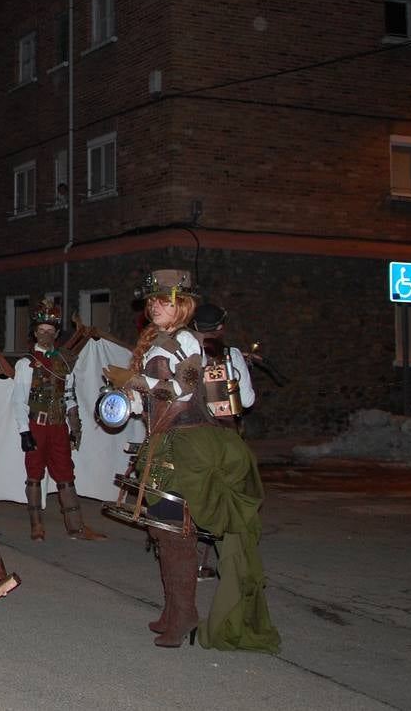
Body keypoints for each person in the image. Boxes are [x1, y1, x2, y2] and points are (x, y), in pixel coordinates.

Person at [104, 269, 280, 652]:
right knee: (163, 533)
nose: (155, 307)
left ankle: (183, 615)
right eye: (152, 301)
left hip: (187, 445)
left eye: (163, 302)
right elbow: (151, 399)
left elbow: (180, 388)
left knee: (175, 534)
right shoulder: (155, 340)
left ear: (181, 305)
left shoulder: (186, 340)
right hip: (164, 441)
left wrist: (133, 382)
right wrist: (126, 400)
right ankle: (173, 611)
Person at [11, 299, 107, 542]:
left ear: (56, 334)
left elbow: (70, 395)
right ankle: (36, 526)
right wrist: (24, 431)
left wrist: (75, 425)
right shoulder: (26, 364)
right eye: (41, 331)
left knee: (65, 474)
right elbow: (19, 400)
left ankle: (76, 527)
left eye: (50, 331)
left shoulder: (63, 362)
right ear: (34, 333)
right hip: (37, 426)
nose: (46, 335)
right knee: (34, 473)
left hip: (58, 426)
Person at [192, 303, 257, 431]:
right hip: (223, 431)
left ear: (194, 326)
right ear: (221, 327)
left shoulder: (183, 354)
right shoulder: (232, 355)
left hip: (189, 430)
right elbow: (247, 401)